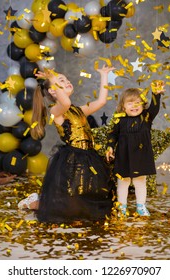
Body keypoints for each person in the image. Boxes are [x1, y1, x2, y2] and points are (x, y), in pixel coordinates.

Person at [18, 64, 115, 223]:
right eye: (61, 80)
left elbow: (102, 101)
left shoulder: (79, 110)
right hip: (72, 159)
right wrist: (51, 79)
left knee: (86, 202)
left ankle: (55, 200)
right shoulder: (56, 110)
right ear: (52, 91)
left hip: (89, 156)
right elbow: (65, 103)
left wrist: (104, 75)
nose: (68, 81)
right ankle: (36, 202)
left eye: (67, 79)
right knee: (67, 208)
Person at [106, 80, 165, 217]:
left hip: (141, 155)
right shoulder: (119, 119)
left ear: (143, 105)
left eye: (137, 102)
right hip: (123, 156)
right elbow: (112, 135)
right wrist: (109, 147)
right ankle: (122, 207)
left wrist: (156, 95)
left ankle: (141, 206)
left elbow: (155, 108)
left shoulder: (146, 117)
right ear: (123, 106)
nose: (134, 105)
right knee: (123, 182)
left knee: (140, 181)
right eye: (130, 103)